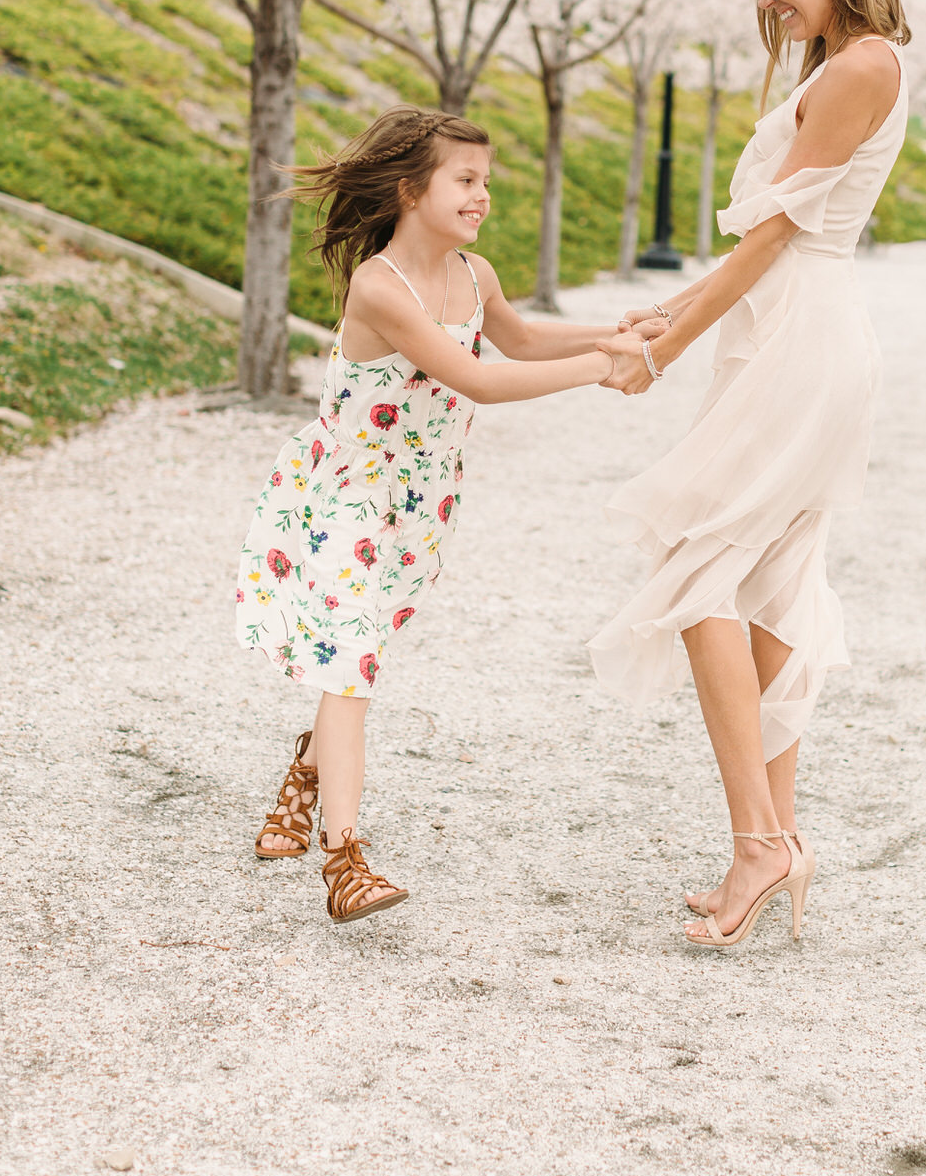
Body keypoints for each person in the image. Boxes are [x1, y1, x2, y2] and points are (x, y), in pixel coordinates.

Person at [587, 0, 910, 950]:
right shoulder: (842, 66)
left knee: (696, 563)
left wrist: (670, 343)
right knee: (767, 584)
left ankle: (760, 843)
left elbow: (774, 235)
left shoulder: (861, 66)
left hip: (800, 337)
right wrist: (670, 310)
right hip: (785, 330)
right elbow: (760, 244)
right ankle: (773, 840)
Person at [237, 107, 648, 924]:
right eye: (465, 179)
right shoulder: (378, 287)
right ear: (407, 188)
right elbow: (482, 379)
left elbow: (522, 343)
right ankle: (343, 857)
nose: (482, 194)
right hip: (342, 499)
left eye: (485, 180)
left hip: (421, 503)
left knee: (356, 658)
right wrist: (603, 367)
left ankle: (305, 776)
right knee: (351, 663)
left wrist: (624, 327)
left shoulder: (475, 274)